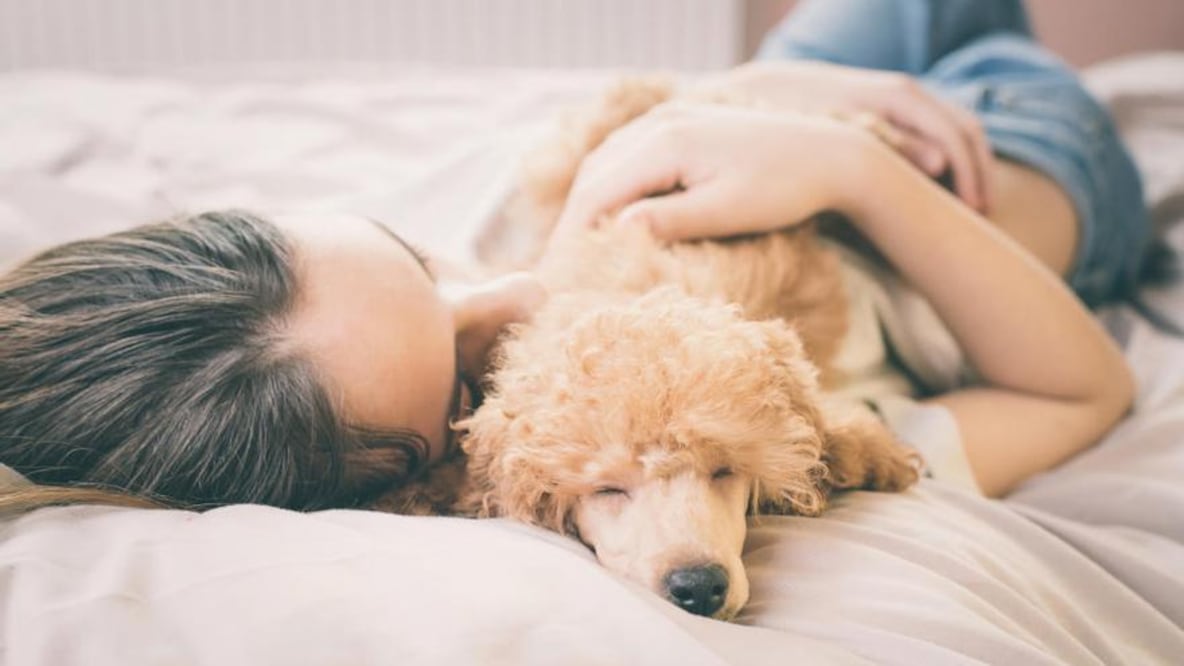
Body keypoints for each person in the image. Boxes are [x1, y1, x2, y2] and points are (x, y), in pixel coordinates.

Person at [0, 0, 1148, 510]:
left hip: (803, 84)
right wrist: (849, 168)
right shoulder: (715, 422)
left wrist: (751, 96)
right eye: (468, 380)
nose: (516, 289)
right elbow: (1080, 390)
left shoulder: (330, 328)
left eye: (422, 263)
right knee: (990, 41)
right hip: (1005, 156)